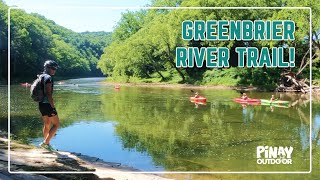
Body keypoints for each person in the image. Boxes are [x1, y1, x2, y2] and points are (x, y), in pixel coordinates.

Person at [38, 60, 60, 152]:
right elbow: (48, 94)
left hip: (41, 104)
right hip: (47, 104)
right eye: (53, 68)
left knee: (47, 124)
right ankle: (46, 143)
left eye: (55, 69)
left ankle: (47, 144)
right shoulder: (48, 78)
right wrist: (53, 106)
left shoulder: (41, 76)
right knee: (56, 124)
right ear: (47, 68)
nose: (54, 70)